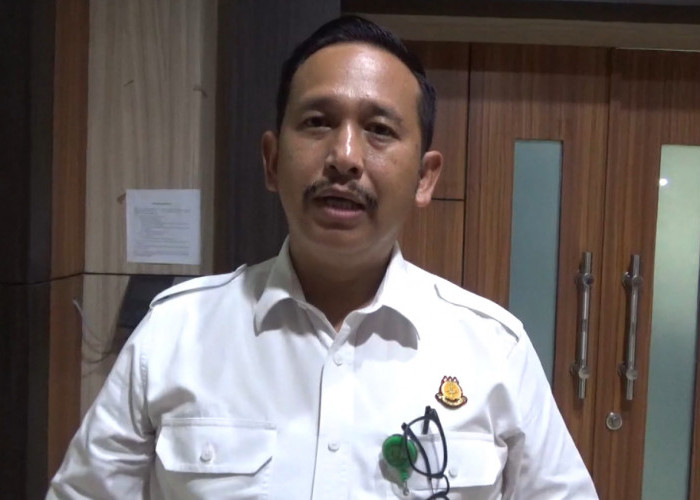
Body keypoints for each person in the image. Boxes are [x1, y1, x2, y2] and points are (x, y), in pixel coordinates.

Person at [48, 15, 598, 499]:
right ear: (271, 160)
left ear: (425, 178)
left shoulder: (494, 351)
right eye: (317, 122)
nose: (345, 157)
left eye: (379, 130)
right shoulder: (173, 336)